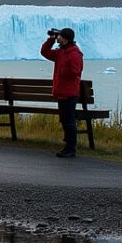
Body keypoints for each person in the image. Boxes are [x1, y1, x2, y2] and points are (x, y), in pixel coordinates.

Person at [40, 27, 84, 158]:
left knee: (69, 120)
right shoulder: (61, 52)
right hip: (62, 92)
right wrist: (51, 40)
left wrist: (62, 71)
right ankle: (67, 146)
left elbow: (76, 71)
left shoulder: (74, 53)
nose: (58, 37)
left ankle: (71, 148)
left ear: (66, 38)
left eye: (60, 36)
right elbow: (45, 52)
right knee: (65, 120)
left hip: (70, 93)